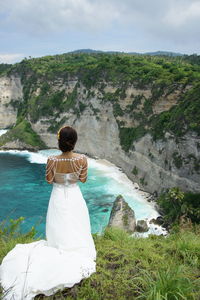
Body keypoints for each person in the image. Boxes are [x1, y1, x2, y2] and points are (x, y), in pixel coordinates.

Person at [0, 126, 97, 299]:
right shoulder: (82, 159)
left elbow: (49, 180)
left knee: (58, 224)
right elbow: (83, 179)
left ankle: (58, 247)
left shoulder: (52, 160)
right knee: (76, 223)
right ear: (74, 142)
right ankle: (74, 249)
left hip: (58, 197)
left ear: (59, 142)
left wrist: (60, 175)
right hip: (75, 197)